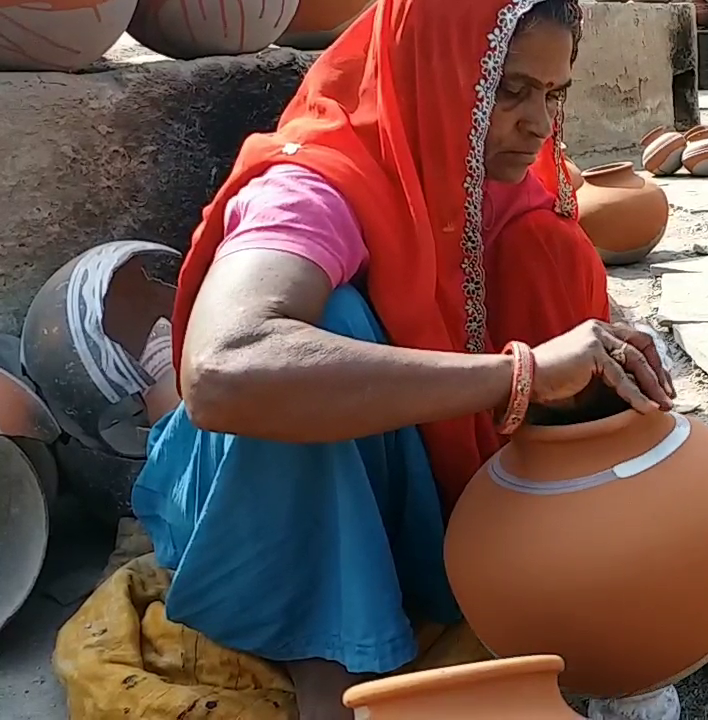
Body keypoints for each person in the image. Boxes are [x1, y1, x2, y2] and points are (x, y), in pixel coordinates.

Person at [128, 0, 674, 718]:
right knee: (326, 323)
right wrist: (520, 375)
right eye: (508, 91)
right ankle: (329, 659)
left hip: (395, 463)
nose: (538, 124)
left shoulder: (489, 184)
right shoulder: (315, 184)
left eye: (553, 93)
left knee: (549, 250)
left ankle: (481, 542)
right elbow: (227, 369)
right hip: (258, 490)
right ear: (436, 74)